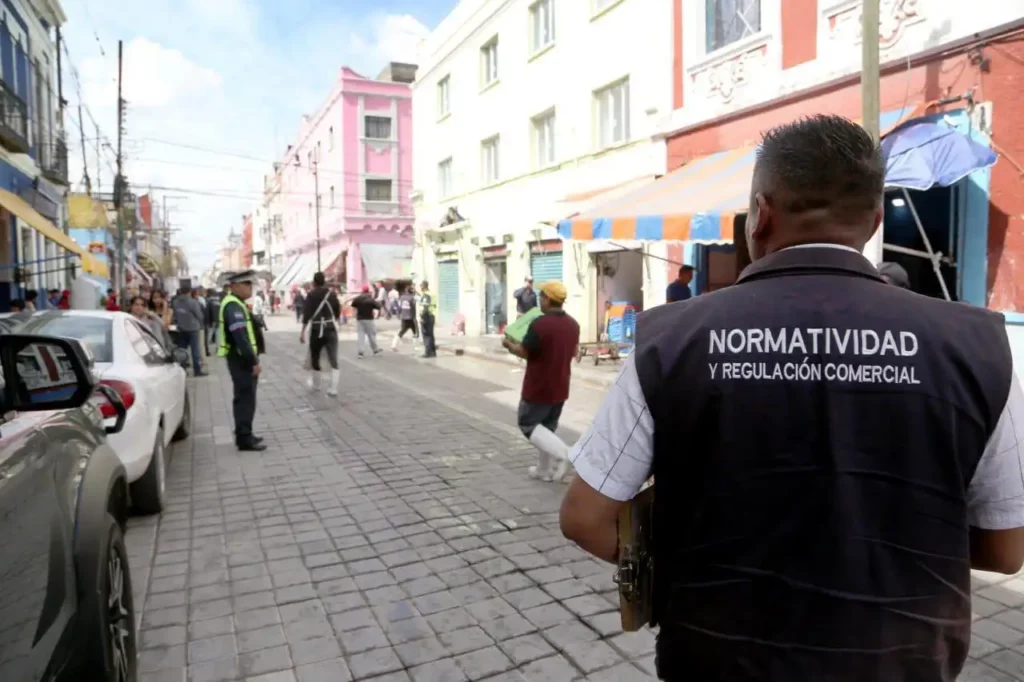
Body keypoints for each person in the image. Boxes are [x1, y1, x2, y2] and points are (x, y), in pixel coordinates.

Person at [558, 114, 1024, 682]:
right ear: (875, 219)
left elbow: (586, 518)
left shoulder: (670, 340)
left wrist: (683, 571)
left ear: (760, 214)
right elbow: (1004, 550)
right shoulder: (977, 345)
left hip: (719, 655)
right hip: (899, 659)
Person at [501, 281, 579, 482]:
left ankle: (566, 454)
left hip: (538, 386)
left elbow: (524, 351)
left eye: (541, 296)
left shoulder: (540, 324)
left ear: (547, 299)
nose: (539, 300)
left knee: (528, 424)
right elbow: (573, 352)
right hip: (561, 385)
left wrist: (509, 344)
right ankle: (543, 469)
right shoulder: (573, 325)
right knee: (546, 428)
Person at [218, 270, 266, 452]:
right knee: (245, 399)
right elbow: (241, 338)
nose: (250, 288)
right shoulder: (233, 306)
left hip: (241, 359)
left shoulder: (237, 304)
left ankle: (246, 433)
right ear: (236, 286)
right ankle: (244, 439)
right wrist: (253, 362)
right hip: (241, 360)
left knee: (247, 398)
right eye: (247, 285)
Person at [300, 272, 343, 396]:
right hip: (330, 328)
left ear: (314, 282)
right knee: (333, 358)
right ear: (324, 281)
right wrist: (336, 321)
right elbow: (337, 311)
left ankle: (317, 385)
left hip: (316, 329)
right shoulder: (332, 294)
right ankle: (333, 388)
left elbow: (306, 314)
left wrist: (302, 332)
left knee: (315, 357)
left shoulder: (311, 295)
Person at [172, 287, 207, 376]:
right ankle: (197, 370)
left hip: (181, 329)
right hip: (193, 329)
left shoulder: (175, 302)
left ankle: (183, 370)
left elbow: (175, 315)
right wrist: (201, 324)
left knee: (182, 350)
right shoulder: (193, 302)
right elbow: (199, 315)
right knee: (195, 350)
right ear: (189, 292)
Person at [350, 285, 383, 358]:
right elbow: (378, 306)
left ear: (362, 291)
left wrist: (354, 316)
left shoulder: (358, 299)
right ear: (368, 291)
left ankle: (360, 352)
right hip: (369, 319)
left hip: (360, 319)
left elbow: (354, 307)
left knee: (360, 336)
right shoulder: (370, 299)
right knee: (371, 335)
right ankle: (375, 350)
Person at [391, 284, 417, 351]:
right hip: (411, 317)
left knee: (402, 331)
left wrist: (399, 314)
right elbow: (414, 306)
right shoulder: (412, 298)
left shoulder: (402, 297)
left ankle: (394, 344)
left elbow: (399, 307)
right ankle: (416, 347)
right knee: (415, 332)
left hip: (404, 317)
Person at [419, 280, 437, 358]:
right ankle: (433, 352)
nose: (420, 287)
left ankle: (427, 352)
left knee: (426, 335)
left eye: (421, 286)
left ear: (425, 286)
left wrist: (422, 317)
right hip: (432, 315)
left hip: (427, 316)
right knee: (431, 334)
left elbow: (425, 307)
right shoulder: (431, 294)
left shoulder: (426, 295)